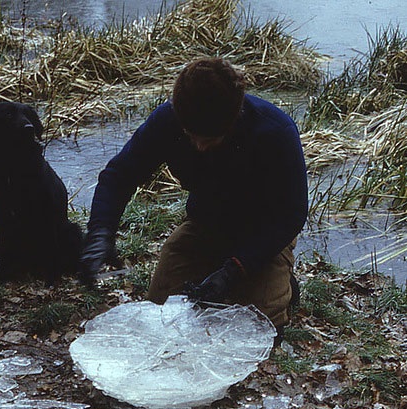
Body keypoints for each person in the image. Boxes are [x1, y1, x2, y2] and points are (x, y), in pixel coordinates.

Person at [79, 57, 308, 339]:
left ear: (234, 117)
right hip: (206, 224)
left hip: (263, 234)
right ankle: (221, 271)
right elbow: (119, 175)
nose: (199, 147)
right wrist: (101, 232)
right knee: (161, 314)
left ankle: (284, 284)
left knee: (258, 328)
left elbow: (292, 214)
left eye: (210, 140)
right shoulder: (168, 119)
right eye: (191, 136)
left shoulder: (275, 132)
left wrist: (234, 270)